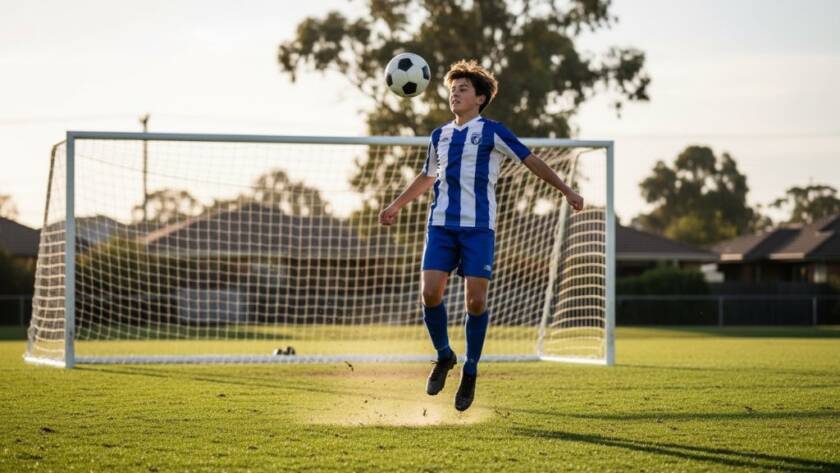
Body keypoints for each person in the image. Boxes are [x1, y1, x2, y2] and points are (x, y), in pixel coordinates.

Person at [379, 59, 584, 411]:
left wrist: (566, 189)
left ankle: (470, 369)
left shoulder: (493, 131)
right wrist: (395, 205)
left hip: (479, 229)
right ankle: (444, 356)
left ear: (480, 98)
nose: (454, 95)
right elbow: (428, 176)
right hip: (440, 224)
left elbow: (530, 160)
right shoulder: (439, 135)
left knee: (475, 302)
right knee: (430, 293)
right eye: (451, 90)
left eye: (462, 90)